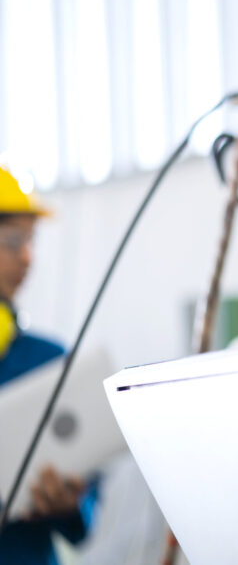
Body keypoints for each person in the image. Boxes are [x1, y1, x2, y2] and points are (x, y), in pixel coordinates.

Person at [0, 165, 98, 565]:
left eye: (31, 241)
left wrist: (69, 504)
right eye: (12, 241)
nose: (27, 257)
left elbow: (87, 503)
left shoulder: (50, 362)